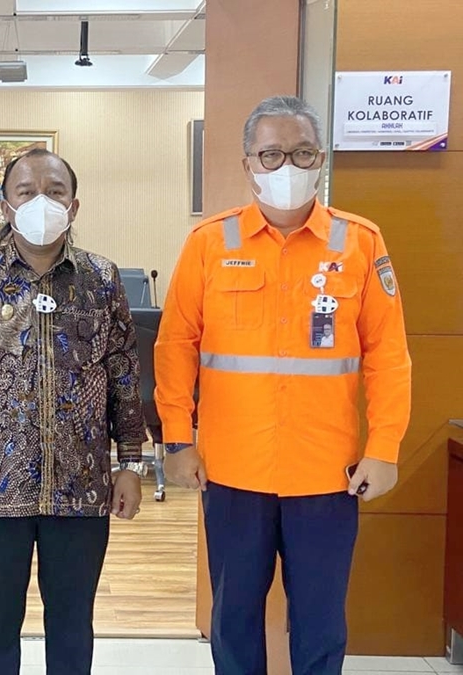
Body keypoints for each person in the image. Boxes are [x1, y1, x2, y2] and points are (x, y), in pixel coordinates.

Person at [154, 95, 412, 675]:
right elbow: (175, 347)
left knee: (320, 623)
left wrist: (384, 448)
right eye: (271, 154)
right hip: (231, 470)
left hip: (327, 474)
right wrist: (177, 438)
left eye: (301, 153)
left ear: (320, 159)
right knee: (233, 618)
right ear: (248, 163)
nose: (286, 166)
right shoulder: (210, 242)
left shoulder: (360, 242)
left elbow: (389, 356)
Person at [0, 148, 147, 675]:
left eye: (55, 191)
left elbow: (123, 375)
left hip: (82, 487)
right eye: (26, 192)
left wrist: (131, 463)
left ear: (74, 206)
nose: (41, 200)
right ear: (6, 205)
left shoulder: (101, 278)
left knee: (73, 626)